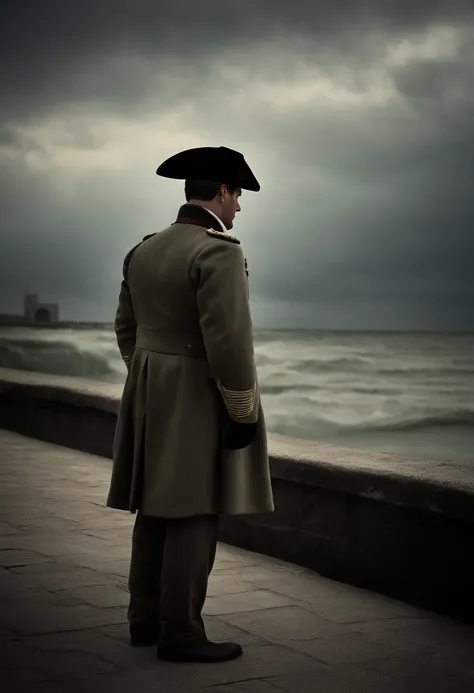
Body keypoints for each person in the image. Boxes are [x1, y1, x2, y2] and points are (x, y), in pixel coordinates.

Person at [106, 146, 274, 663]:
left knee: (155, 507)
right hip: (200, 398)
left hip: (150, 392)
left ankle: (144, 621)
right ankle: (181, 632)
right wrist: (242, 411)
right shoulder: (217, 252)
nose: (239, 208)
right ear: (222, 192)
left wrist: (151, 376)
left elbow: (126, 330)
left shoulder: (144, 250)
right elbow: (228, 343)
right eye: (238, 195)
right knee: (196, 512)